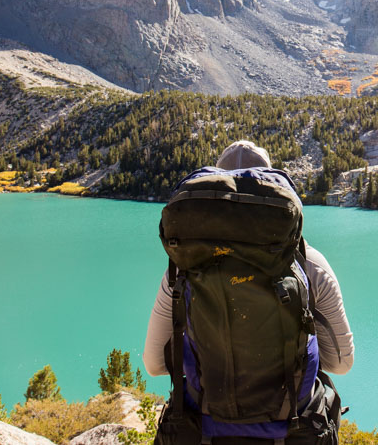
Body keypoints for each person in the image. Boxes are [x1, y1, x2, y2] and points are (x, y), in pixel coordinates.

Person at [142, 139, 355, 382]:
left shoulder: (185, 264)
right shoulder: (308, 262)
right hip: (289, 416)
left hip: (207, 415)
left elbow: (155, 363)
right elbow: (340, 363)